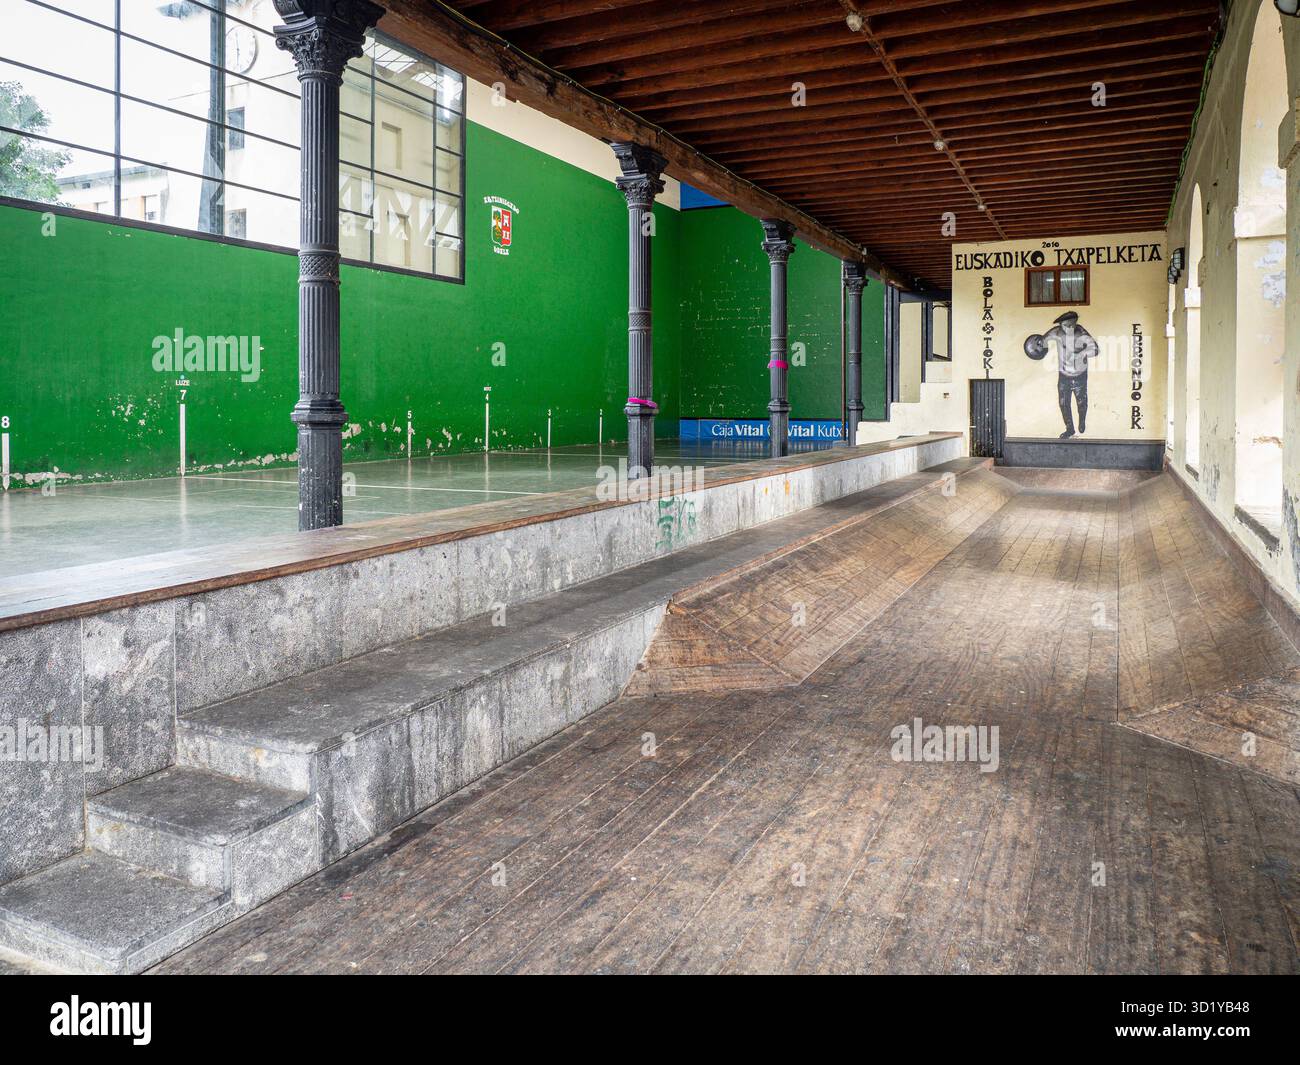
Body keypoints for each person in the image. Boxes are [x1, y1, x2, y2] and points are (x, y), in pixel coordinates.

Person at [1042, 311, 1098, 438]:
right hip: (1064, 376)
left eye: (1072, 325)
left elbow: (1095, 349)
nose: (1069, 328)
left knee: (1081, 403)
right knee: (1063, 403)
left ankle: (1082, 421)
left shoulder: (1082, 333)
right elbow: (1042, 340)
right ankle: (1070, 429)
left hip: (1080, 375)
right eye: (1066, 326)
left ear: (1075, 323)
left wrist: (1082, 353)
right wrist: (1038, 346)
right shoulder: (1056, 332)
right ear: (1061, 325)